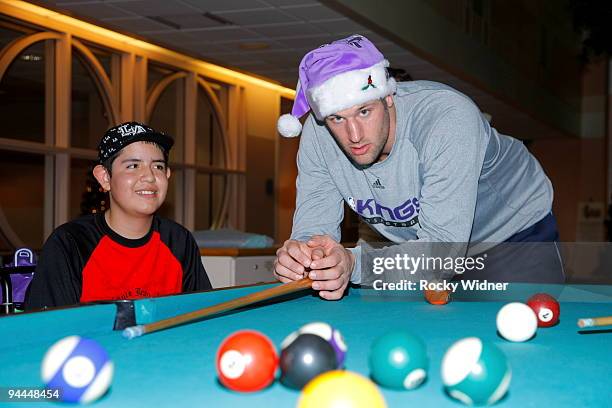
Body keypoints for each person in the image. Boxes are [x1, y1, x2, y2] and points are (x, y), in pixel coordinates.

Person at [274, 34, 563, 300]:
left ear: (388, 96)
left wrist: (354, 263)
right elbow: (314, 231)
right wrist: (304, 257)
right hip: (425, 246)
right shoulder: (319, 132)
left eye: (364, 111)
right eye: (337, 118)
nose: (354, 135)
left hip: (511, 237)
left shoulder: (448, 119)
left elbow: (442, 256)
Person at [26, 122, 211, 309]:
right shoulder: (70, 243)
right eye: (133, 166)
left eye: (158, 166)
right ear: (105, 178)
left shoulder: (179, 241)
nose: (149, 176)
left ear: (168, 175)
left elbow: (202, 315)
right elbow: (47, 330)